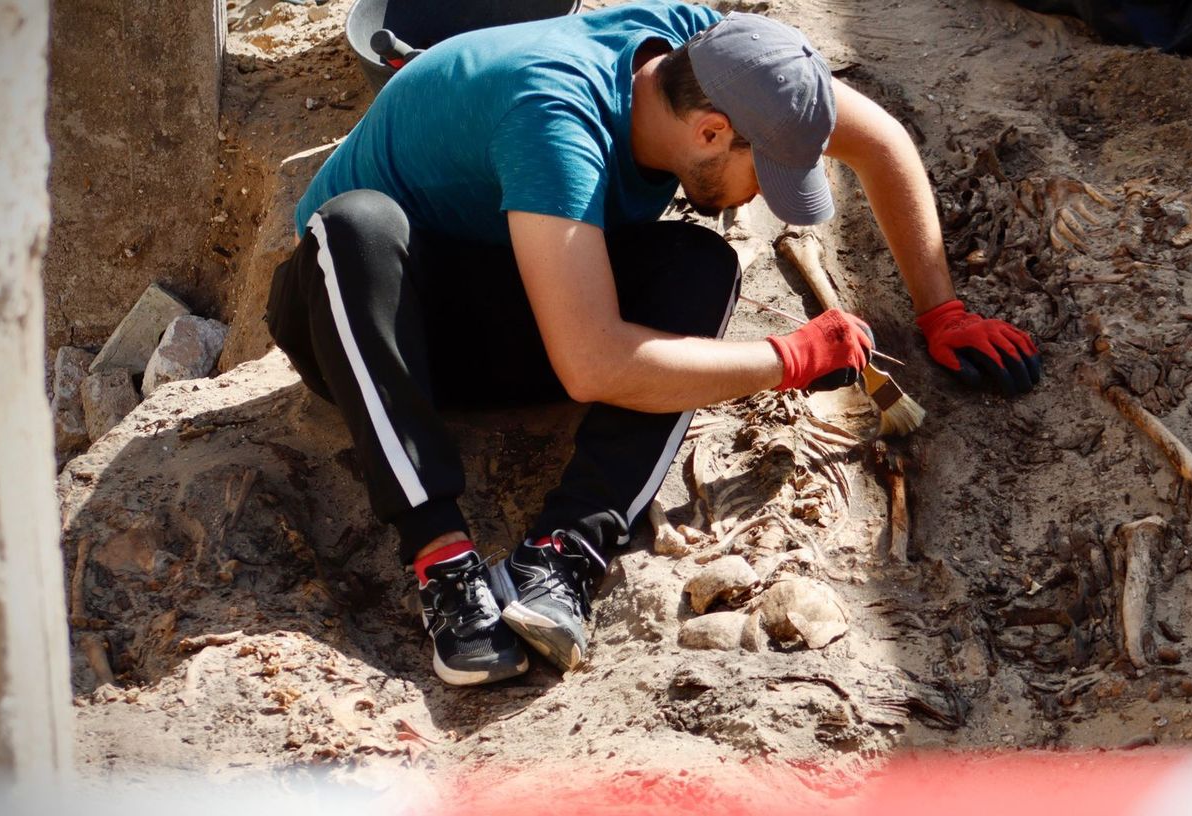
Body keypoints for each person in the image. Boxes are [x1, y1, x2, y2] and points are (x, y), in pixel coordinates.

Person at [265, 0, 1041, 687]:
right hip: (369, 328)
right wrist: (791, 358)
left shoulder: (704, 54)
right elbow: (593, 363)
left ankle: (560, 555)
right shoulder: (554, 120)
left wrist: (942, 310)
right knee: (358, 223)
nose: (763, 200)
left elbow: (880, 143)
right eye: (759, 175)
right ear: (709, 131)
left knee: (698, 264)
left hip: (513, 279)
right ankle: (444, 564)